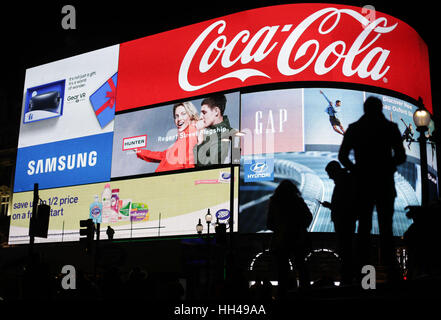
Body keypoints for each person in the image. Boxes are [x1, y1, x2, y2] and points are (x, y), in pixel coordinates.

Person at [338, 96, 406, 283]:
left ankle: (364, 276)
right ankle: (393, 274)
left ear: (365, 109)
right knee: (386, 228)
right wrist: (387, 166)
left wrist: (356, 170)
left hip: (363, 183)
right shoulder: (390, 128)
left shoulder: (355, 128)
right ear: (381, 108)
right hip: (384, 183)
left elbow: (342, 156)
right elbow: (401, 156)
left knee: (364, 228)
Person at [267, 180, 312, 298]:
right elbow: (308, 217)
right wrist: (299, 227)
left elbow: (269, 223)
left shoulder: (275, 202)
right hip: (298, 239)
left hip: (281, 240)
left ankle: (283, 294)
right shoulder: (298, 201)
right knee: (301, 266)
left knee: (282, 269)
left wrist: (280, 228)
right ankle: (305, 292)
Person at [136, 101, 201, 172]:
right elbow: (161, 155)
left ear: (191, 115)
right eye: (176, 116)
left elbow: (190, 158)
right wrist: (138, 151)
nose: (179, 119)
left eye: (183, 114)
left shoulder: (192, 130)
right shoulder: (180, 141)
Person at [322, 160, 357, 285]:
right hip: (346, 219)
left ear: (334, 171)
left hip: (344, 221)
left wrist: (333, 207)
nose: (329, 176)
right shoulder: (345, 180)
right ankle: (349, 276)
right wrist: (331, 206)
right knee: (346, 248)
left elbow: (344, 205)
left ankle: (348, 277)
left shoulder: (343, 182)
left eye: (329, 173)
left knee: (345, 249)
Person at [194, 94, 237, 166]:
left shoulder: (228, 134)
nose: (201, 117)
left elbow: (207, 166)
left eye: (204, 112)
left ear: (216, 111)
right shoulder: (206, 132)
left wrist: (200, 139)